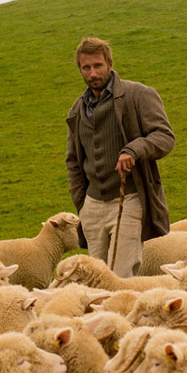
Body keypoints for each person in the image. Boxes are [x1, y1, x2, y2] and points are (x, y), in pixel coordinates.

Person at [65, 37, 175, 278]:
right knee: (93, 279)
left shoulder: (137, 95)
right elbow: (73, 161)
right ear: (80, 70)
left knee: (120, 277)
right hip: (92, 206)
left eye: (98, 65)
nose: (93, 73)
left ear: (110, 63)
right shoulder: (77, 109)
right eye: (86, 67)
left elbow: (165, 137)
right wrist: (82, 204)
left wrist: (134, 149)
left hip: (128, 199)